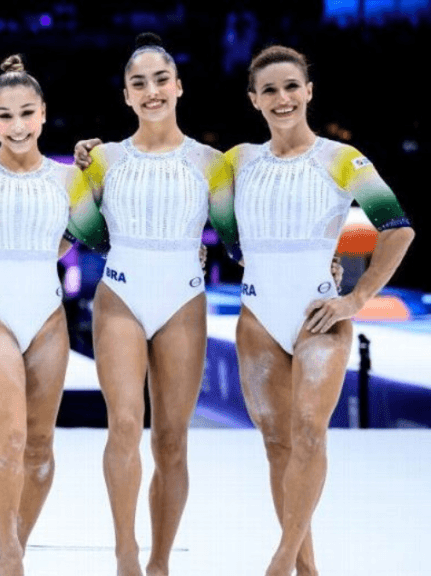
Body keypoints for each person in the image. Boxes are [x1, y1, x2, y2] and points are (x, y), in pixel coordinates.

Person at [230, 45, 413, 576]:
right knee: (277, 444)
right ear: (254, 99)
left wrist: (355, 298)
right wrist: (94, 155)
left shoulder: (341, 159)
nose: (282, 98)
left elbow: (398, 230)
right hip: (258, 315)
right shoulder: (238, 161)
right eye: (269, 90)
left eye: (292, 86)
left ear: (308, 91)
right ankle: (307, 569)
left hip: (320, 316)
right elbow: (177, 170)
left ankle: (282, 560)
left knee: (309, 432)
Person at [72, 34, 240, 576]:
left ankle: (160, 563)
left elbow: (240, 242)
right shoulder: (103, 160)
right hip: (121, 296)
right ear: (126, 95)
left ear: (179, 86)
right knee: (124, 425)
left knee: (171, 441)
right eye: (139, 83)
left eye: (161, 80)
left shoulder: (212, 163)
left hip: (182, 302)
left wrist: (328, 265)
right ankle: (126, 554)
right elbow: (74, 231)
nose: (152, 91)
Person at [0, 54, 105, 576]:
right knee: (9, 437)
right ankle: (7, 556)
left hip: (47, 319)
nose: (17, 126)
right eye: (5, 115)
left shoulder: (68, 179)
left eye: (27, 113)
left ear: (43, 114)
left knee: (39, 444)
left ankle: (18, 543)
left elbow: (89, 236)